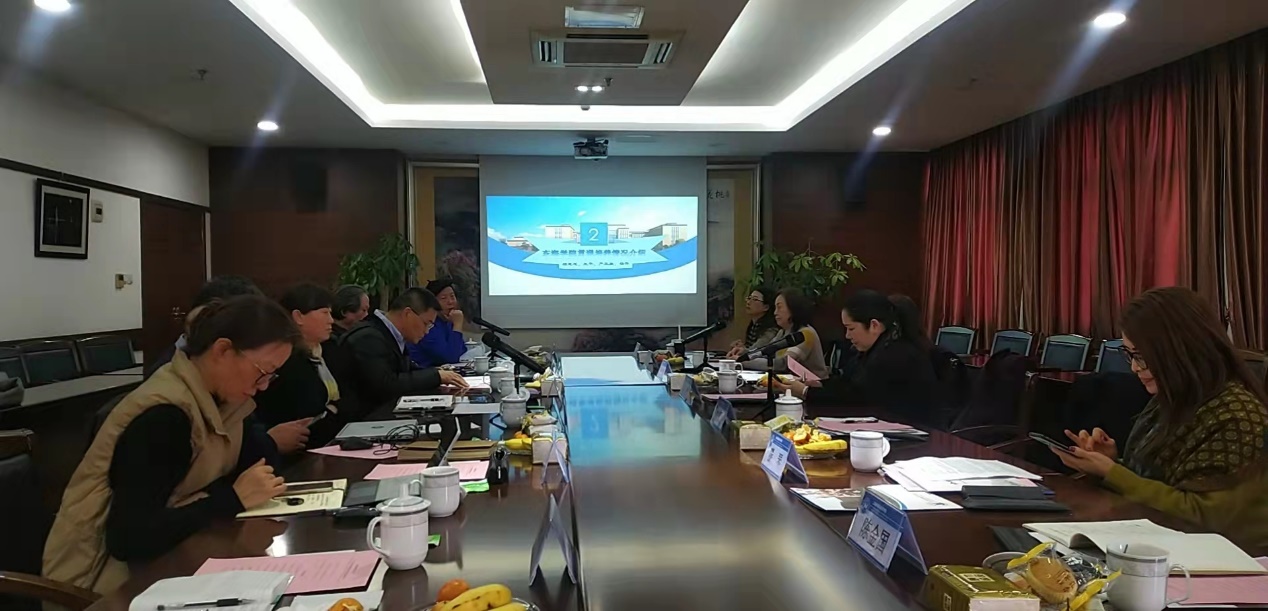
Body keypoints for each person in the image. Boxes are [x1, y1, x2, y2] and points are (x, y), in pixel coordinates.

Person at [44, 296, 296, 592]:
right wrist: (231, 499)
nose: (263, 386)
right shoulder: (165, 417)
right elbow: (129, 539)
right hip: (103, 585)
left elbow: (257, 467)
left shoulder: (222, 401)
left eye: (271, 376)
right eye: (262, 372)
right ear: (223, 350)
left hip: (171, 563)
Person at [1056, 287, 1268, 547]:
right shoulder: (1173, 399)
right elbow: (1159, 485)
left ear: (1181, 351)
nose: (1134, 367)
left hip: (1226, 558)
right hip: (1163, 543)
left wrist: (1113, 473)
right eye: (1129, 355)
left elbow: (1202, 517)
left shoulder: (1237, 415)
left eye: (1142, 357)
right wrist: (1111, 462)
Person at [143, 275, 310, 455]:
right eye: (263, 372)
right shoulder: (166, 407)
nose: (263, 385)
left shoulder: (226, 385)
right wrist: (268, 442)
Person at [776, 290, 937, 418]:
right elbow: (849, 383)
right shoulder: (874, 350)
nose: (847, 336)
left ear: (874, 325)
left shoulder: (895, 355)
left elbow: (858, 398)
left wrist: (805, 392)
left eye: (851, 328)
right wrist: (819, 384)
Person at [253, 284, 361, 448]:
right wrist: (333, 410)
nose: (331, 320)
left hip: (342, 438)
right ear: (298, 317)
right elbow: (306, 413)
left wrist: (333, 410)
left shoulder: (332, 349)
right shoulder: (284, 361)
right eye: (324, 313)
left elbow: (353, 395)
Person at [340, 287, 468, 411]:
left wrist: (438, 373)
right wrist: (435, 376)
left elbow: (405, 370)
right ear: (408, 314)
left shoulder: (392, 335)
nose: (426, 331)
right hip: (364, 418)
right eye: (426, 324)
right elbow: (385, 384)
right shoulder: (369, 337)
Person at [744, 289, 829, 380]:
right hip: (789, 382)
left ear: (793, 309)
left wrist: (743, 362)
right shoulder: (782, 332)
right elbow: (766, 352)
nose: (775, 313)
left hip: (813, 385)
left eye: (779, 307)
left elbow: (784, 364)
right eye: (775, 308)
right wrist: (744, 355)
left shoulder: (805, 334)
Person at [407, 279, 468, 368]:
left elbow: (462, 350)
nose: (450, 302)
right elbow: (451, 358)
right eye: (443, 298)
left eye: (452, 296)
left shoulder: (448, 320)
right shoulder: (428, 325)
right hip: (422, 373)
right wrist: (457, 325)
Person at [725, 287, 780, 360]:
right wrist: (741, 347)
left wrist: (743, 350)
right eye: (749, 298)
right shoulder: (754, 325)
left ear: (766, 307)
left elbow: (756, 351)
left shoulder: (771, 330)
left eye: (755, 299)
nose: (748, 302)